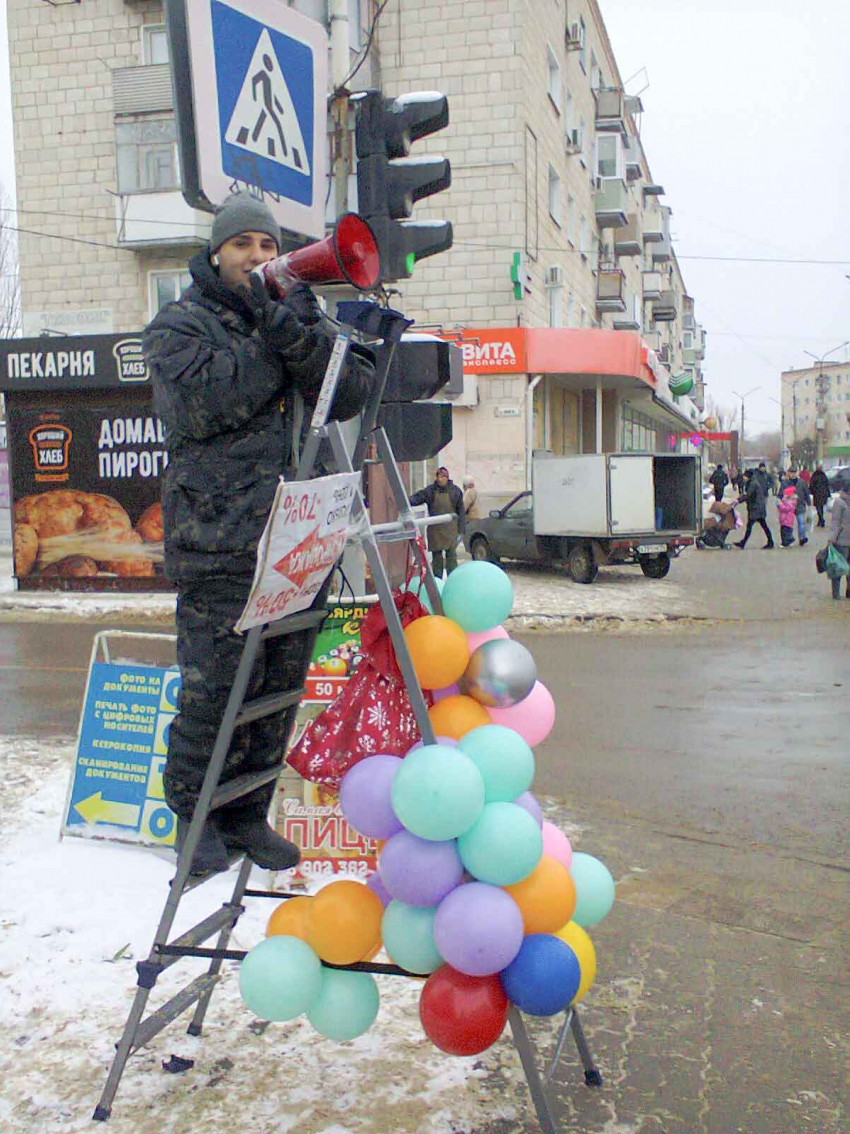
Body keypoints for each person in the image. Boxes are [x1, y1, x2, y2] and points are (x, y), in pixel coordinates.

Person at [143, 192, 375, 875]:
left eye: (269, 246)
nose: (259, 257)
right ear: (217, 251)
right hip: (220, 540)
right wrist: (278, 339)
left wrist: (299, 331)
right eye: (244, 244)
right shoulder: (180, 324)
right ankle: (194, 815)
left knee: (277, 685)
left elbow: (352, 386)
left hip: (295, 543)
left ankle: (246, 811)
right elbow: (208, 402)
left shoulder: (292, 311)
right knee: (216, 689)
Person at [410, 466, 466, 577]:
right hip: (435, 531)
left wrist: (461, 531)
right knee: (437, 559)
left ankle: (453, 580)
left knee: (451, 558)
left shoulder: (455, 491)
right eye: (439, 476)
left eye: (443, 477)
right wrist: (405, 500)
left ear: (447, 478)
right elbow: (417, 498)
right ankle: (437, 582)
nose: (441, 479)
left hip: (451, 531)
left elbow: (461, 512)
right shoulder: (430, 491)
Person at [735, 467, 774, 549]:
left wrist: (737, 501)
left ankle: (743, 543)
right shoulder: (752, 482)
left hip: (756, 508)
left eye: (744, 476)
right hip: (757, 508)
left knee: (750, 526)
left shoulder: (753, 484)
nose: (743, 478)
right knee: (763, 525)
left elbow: (748, 495)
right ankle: (770, 541)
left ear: (748, 476)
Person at [827, 476, 850, 599]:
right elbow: (835, 521)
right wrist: (832, 539)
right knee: (839, 568)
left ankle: (849, 592)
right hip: (841, 541)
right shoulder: (839, 502)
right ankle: (835, 593)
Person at [789, 469, 811, 546]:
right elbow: (781, 493)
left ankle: (802, 538)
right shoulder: (786, 483)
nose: (793, 474)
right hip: (789, 506)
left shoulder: (801, 482)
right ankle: (789, 538)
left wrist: (809, 502)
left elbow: (806, 492)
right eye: (791, 472)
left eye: (794, 472)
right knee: (789, 524)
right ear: (789, 473)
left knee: (801, 522)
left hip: (800, 504)